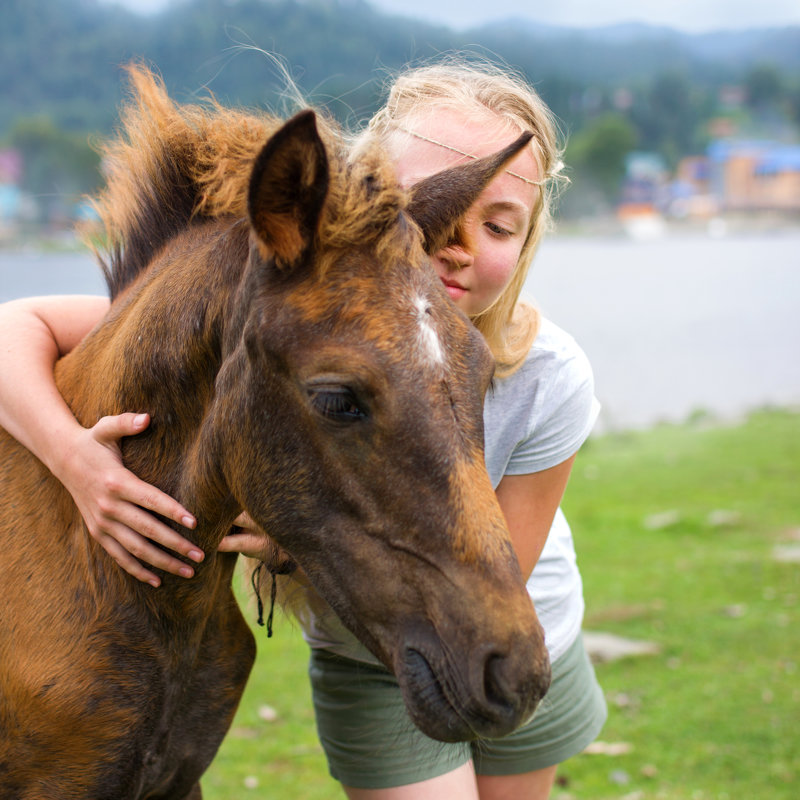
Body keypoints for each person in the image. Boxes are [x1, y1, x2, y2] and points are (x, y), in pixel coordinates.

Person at [0, 58, 606, 799]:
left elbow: (495, 556)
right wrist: (76, 460)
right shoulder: (261, 316)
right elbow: (14, 325)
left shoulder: (548, 372)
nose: (456, 243)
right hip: (391, 649)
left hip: (511, 626)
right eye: (431, 213)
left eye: (498, 224)